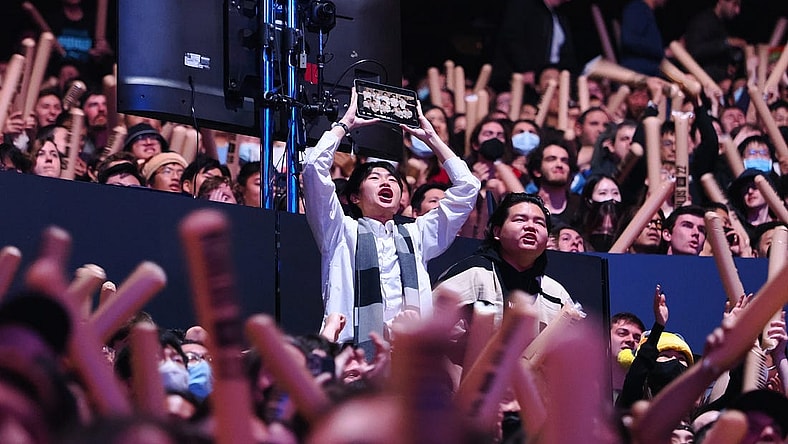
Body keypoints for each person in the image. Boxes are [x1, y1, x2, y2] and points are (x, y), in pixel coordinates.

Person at [301, 88, 480, 349]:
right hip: (351, 356)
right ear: (354, 198)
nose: (386, 182)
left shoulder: (418, 235)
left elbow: (468, 188)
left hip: (409, 359)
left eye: (392, 180)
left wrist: (433, 139)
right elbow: (313, 168)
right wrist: (345, 125)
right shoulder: (339, 231)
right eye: (374, 178)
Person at [433, 193, 575, 330]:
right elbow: (426, 329)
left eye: (539, 223)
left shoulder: (556, 294)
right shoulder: (473, 274)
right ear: (497, 232)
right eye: (520, 220)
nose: (531, 227)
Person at [490, 0, 576, 92]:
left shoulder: (559, 16)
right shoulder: (524, 5)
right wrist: (527, 69)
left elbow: (565, 53)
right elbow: (511, 39)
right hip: (523, 79)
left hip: (550, 80)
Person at [684, 0, 745, 84]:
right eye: (734, 4)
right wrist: (727, 43)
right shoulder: (703, 21)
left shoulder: (724, 24)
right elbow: (695, 51)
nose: (737, 10)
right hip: (699, 81)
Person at [619, 0, 668, 76]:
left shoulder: (646, 11)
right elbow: (630, 39)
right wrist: (661, 51)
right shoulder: (637, 8)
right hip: (638, 74)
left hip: (648, 73)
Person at [610, 312, 645, 401]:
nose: (631, 340)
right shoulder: (582, 383)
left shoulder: (646, 395)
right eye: (622, 333)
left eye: (637, 338)